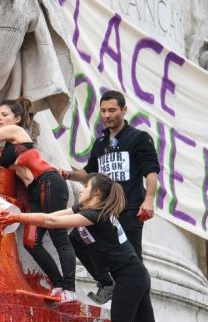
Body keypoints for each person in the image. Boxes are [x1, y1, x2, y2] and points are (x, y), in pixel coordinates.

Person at [0, 173, 175, 322]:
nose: (81, 189)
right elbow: (54, 215)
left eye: (85, 186)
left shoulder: (95, 214)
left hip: (130, 277)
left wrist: (18, 219)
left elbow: (52, 222)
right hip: (135, 275)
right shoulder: (87, 209)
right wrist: (22, 216)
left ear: (96, 193)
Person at [0, 97, 76, 301]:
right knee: (31, 242)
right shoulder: (9, 147)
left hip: (49, 183)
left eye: (4, 115)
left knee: (59, 237)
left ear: (17, 119)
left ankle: (70, 291)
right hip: (35, 192)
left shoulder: (18, 132)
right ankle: (59, 285)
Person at [63, 90, 160, 305]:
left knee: (133, 257)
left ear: (124, 110)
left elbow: (151, 172)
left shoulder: (139, 138)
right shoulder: (100, 143)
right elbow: (90, 173)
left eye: (112, 110)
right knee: (77, 239)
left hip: (130, 207)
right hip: (104, 210)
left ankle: (140, 303)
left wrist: (149, 199)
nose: (107, 115)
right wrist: (69, 173)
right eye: (103, 111)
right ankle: (106, 283)